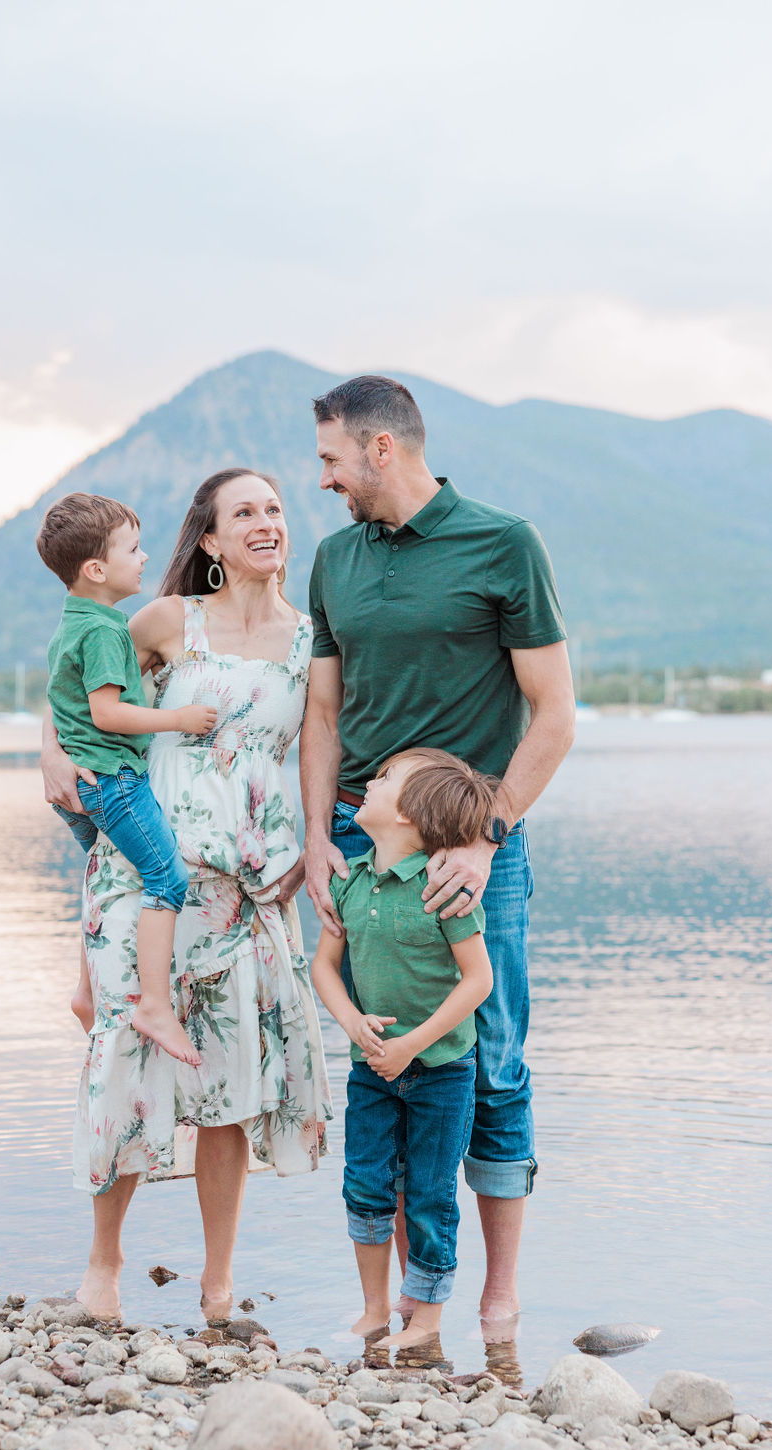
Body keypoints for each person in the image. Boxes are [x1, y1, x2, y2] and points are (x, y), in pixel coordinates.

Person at [301, 375, 575, 1330]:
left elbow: (555, 714)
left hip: (474, 844)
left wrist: (489, 835)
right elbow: (325, 716)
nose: (324, 480)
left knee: (489, 1058)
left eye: (332, 458)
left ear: (382, 449)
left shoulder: (504, 543)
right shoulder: (334, 560)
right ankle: (420, 1302)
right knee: (387, 1057)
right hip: (358, 837)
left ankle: (499, 1296)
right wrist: (313, 837)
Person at [41, 468, 332, 1322]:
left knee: (232, 1082)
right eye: (244, 511)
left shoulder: (312, 638)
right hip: (149, 873)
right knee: (128, 1062)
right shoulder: (170, 620)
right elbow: (78, 689)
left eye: (275, 508)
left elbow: (320, 745)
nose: (265, 522)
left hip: (249, 884)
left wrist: (311, 846)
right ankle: (104, 1262)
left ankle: (218, 1282)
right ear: (209, 539)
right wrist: (51, 755)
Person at [312, 747, 496, 1351]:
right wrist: (353, 1024)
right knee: (364, 1184)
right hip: (371, 1068)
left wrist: (412, 1043)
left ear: (411, 817)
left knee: (429, 1195)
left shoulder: (442, 891)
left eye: (385, 778)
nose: (368, 780)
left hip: (441, 1072)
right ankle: (374, 1310)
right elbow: (324, 969)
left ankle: (427, 1323)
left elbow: (479, 981)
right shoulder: (350, 881)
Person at [37, 491, 215, 1066]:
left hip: (90, 786)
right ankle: (154, 1004)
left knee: (103, 875)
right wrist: (179, 719)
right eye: (133, 549)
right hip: (115, 780)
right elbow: (107, 713)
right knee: (166, 875)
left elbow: (63, 700)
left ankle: (87, 991)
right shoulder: (107, 630)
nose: (145, 559)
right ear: (96, 569)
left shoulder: (73, 622)